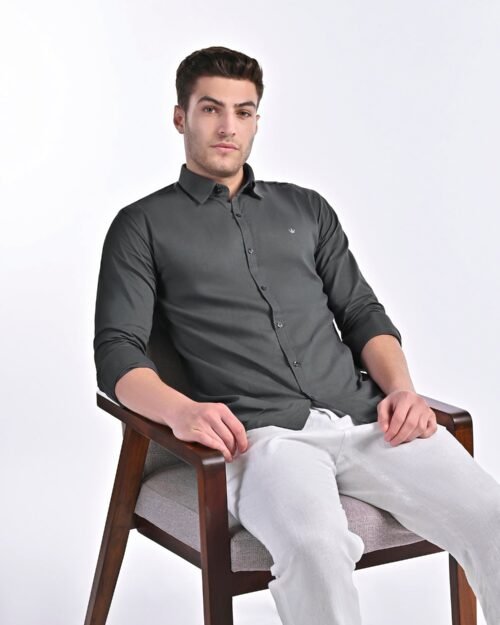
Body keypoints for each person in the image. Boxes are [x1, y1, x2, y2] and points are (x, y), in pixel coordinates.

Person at [93, 46, 500, 624]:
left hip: (368, 419)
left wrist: (404, 390)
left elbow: (361, 312)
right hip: (262, 439)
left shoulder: (307, 209)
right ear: (181, 117)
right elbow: (117, 353)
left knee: (492, 517)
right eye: (210, 109)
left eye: (243, 111)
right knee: (316, 550)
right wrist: (182, 412)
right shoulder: (142, 226)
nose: (228, 126)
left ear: (257, 120)